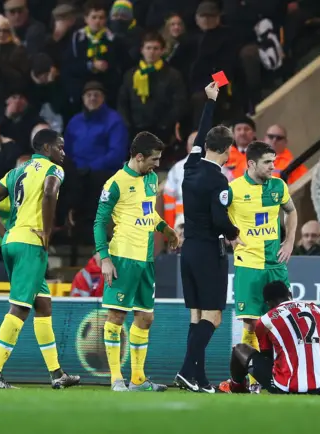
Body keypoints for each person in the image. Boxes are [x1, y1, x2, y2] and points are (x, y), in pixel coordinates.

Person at [0, 129, 80, 389]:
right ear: (46, 148)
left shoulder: (17, 171)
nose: (63, 153)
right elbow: (48, 192)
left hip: (12, 243)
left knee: (43, 304)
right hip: (31, 245)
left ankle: (57, 374)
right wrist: (47, 232)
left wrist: (6, 234)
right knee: (20, 308)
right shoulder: (54, 169)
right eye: (60, 147)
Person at [94, 131, 179, 392]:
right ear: (139, 157)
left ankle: (138, 379)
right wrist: (105, 258)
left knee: (145, 317)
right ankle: (116, 379)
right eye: (154, 159)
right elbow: (99, 222)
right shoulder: (115, 183)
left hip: (145, 259)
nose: (157, 164)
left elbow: (147, 212)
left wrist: (166, 229)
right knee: (117, 316)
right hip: (123, 258)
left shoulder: (151, 179)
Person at [174, 82, 241, 393]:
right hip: (208, 253)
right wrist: (235, 235)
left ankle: (197, 379)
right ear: (228, 150)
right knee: (212, 317)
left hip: (189, 250)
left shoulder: (190, 167)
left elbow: (200, 137)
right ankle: (187, 370)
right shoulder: (219, 180)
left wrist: (210, 102)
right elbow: (219, 218)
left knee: (196, 315)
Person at [227, 140, 298, 393]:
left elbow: (291, 211)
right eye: (268, 162)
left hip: (275, 264)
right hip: (248, 265)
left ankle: (283, 375)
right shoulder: (233, 189)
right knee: (251, 324)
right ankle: (254, 382)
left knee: (281, 322)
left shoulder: (278, 186)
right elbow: (216, 214)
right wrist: (228, 235)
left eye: (274, 161)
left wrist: (289, 241)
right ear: (251, 164)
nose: (272, 166)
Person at [219, 280, 320, 395]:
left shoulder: (265, 320)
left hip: (285, 388)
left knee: (239, 349)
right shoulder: (317, 310)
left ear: (269, 303)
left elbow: (267, 357)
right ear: (289, 295)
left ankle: (236, 386)